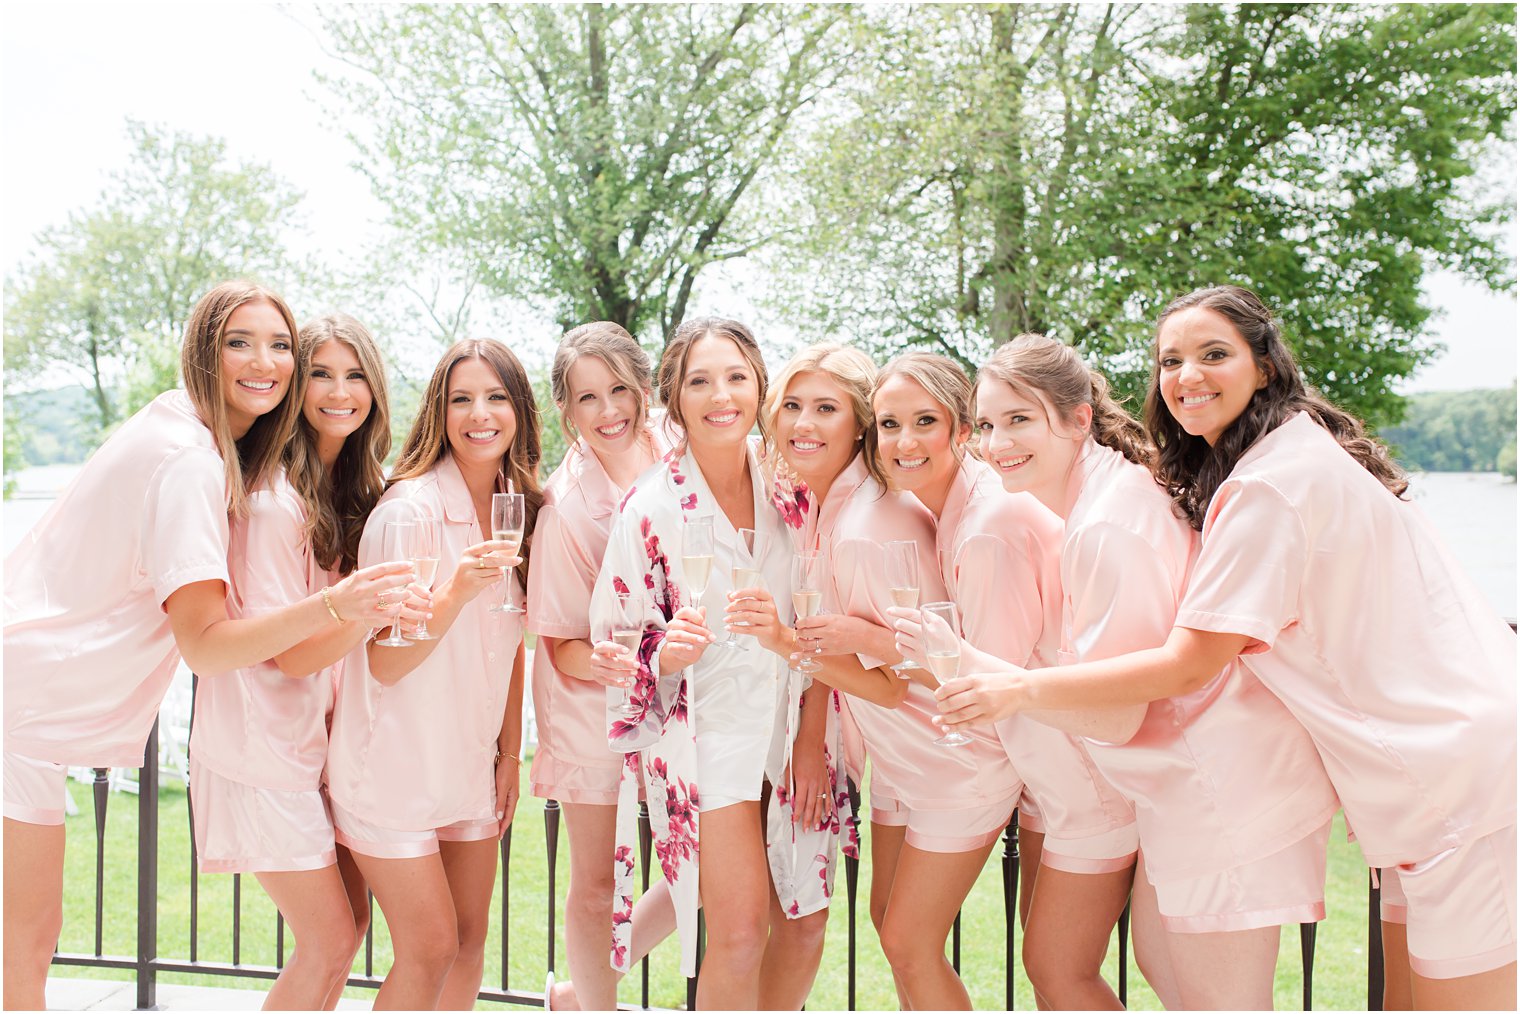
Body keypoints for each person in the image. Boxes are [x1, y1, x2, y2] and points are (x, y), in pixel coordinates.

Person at [922, 299, 1516, 1008]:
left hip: (1454, 778)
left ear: (1264, 366)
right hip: (1422, 778)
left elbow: (1190, 663)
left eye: (1213, 353)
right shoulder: (1280, 458)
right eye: (1170, 360)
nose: (1187, 375)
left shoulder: (1267, 486)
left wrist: (1009, 686)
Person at [3, 283, 413, 1011]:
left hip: (33, 696)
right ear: (203, 350)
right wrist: (338, 605)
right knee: (27, 942)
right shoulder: (192, 463)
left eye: (280, 344)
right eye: (238, 342)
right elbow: (206, 647)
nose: (265, 362)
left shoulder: (177, 424)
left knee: (28, 938)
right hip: (24, 702)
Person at [873, 352, 1142, 1009]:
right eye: (887, 424)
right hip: (1050, 778)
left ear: (960, 431)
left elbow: (985, 682)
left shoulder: (988, 527)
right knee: (1053, 969)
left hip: (1085, 781)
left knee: (1056, 970)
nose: (904, 442)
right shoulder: (962, 514)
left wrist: (863, 648)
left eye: (925, 421)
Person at [766, 345, 1017, 1010]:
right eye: (791, 406)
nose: (805, 423)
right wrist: (810, 735)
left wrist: (782, 641)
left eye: (826, 409)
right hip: (901, 758)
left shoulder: (868, 529)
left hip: (952, 759)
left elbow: (908, 676)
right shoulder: (831, 512)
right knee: (890, 926)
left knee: (908, 941)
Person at [589, 318, 807, 1009]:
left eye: (737, 377)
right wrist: (662, 653)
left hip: (789, 728)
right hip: (706, 740)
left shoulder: (790, 490)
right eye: (701, 381)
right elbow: (615, 637)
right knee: (739, 935)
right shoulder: (651, 508)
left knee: (793, 925)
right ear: (674, 398)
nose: (722, 395)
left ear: (760, 387)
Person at [189, 313, 395, 1009]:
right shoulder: (274, 503)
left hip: (317, 748)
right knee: (332, 939)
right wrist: (364, 608)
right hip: (262, 747)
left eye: (355, 375)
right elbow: (293, 658)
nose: (340, 393)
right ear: (294, 390)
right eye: (320, 375)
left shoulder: (346, 490)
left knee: (349, 928)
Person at [324, 338, 535, 1010]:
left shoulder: (514, 505)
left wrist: (509, 753)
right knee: (430, 948)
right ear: (438, 413)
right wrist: (453, 595)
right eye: (461, 398)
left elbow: (512, 643)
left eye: (497, 396)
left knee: (470, 942)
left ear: (520, 411)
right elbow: (383, 661)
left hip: (467, 767)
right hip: (393, 770)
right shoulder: (407, 513)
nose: (481, 413)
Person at [526, 321, 677, 1011]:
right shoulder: (565, 510)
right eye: (588, 398)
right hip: (591, 705)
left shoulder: (681, 455)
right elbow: (560, 643)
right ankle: (594, 1006)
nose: (609, 410)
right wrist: (624, 665)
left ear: (645, 389)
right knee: (595, 881)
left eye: (620, 389)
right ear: (565, 410)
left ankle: (576, 995)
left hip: (683, 702)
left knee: (701, 862)